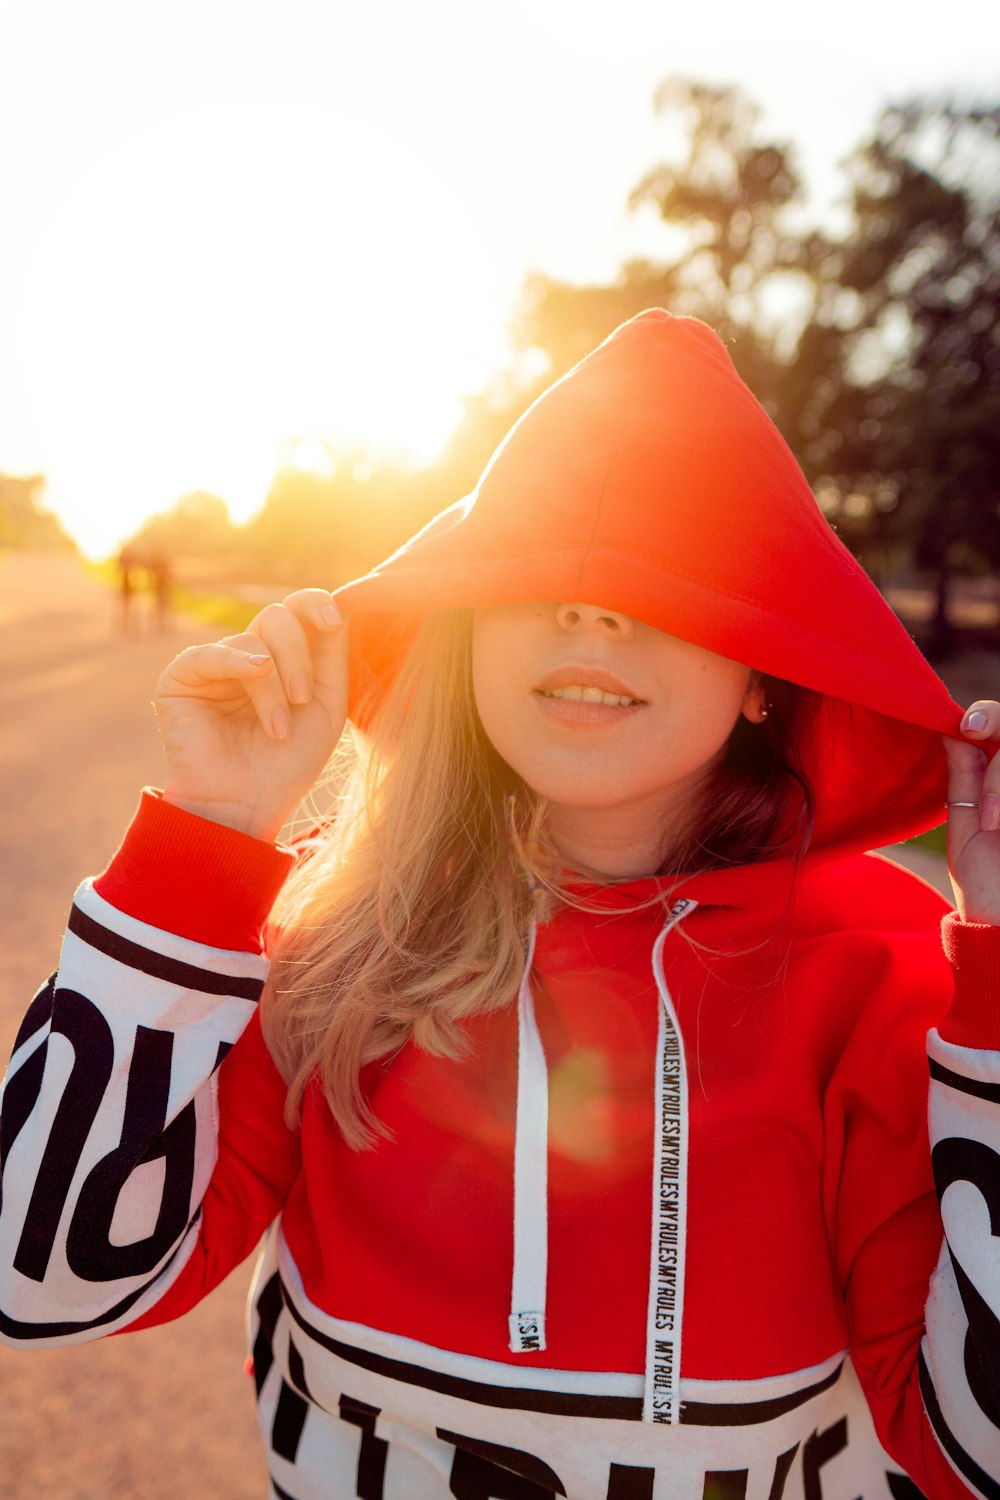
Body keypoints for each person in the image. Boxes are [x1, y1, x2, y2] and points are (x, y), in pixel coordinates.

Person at [1, 309, 998, 1500]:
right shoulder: (331, 931)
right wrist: (205, 843)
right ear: (464, 633)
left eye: (667, 582)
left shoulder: (882, 965)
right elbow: (39, 1281)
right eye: (537, 575)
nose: (589, 611)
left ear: (761, 680)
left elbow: (972, 1447)